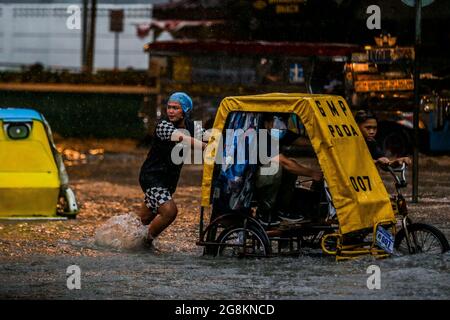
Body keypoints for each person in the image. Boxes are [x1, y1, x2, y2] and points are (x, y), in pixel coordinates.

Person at [137, 92, 206, 248]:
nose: (170, 111)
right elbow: (182, 138)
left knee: (144, 220)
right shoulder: (163, 126)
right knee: (169, 212)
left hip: (168, 182)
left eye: (175, 108)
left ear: (185, 111)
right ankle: (144, 244)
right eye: (169, 107)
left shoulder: (192, 126)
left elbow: (209, 136)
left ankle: (121, 238)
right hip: (152, 178)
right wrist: (206, 147)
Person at [255, 113, 323, 227]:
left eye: (285, 119)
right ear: (266, 123)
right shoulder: (261, 136)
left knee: (292, 165)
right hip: (253, 181)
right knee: (276, 168)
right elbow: (284, 162)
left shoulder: (276, 133)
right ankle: (264, 211)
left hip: (266, 180)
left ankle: (282, 209)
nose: (282, 123)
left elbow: (302, 141)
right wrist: (312, 173)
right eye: (279, 119)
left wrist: (322, 143)